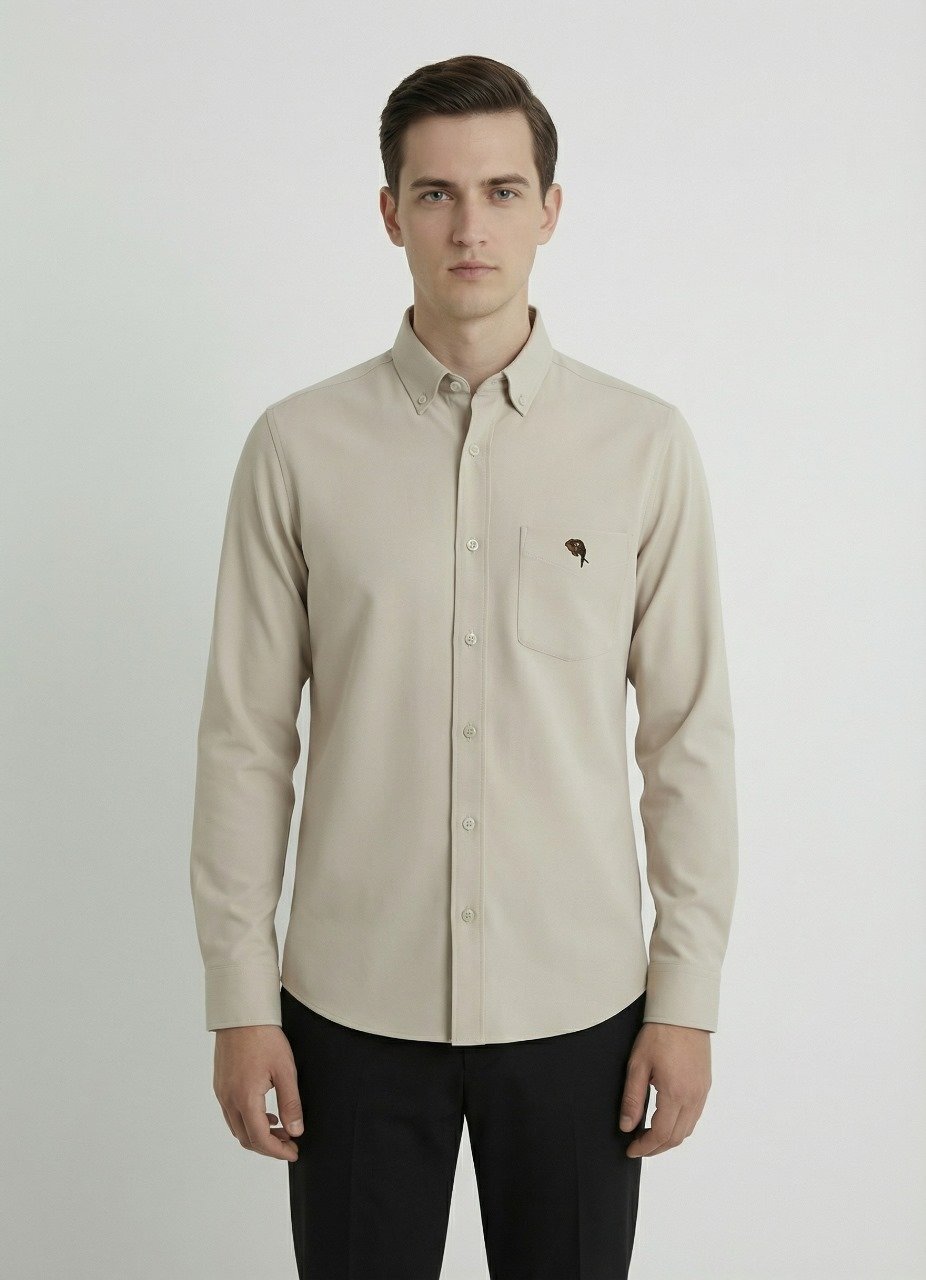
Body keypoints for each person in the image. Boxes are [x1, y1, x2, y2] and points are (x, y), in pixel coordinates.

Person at [189, 53, 739, 1279]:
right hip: (348, 1009)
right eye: (435, 193)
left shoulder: (642, 447)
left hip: (580, 1008)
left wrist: (683, 995)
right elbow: (244, 741)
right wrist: (239, 996)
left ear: (550, 209)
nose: (469, 227)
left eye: (501, 191)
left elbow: (686, 738)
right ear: (391, 213)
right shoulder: (296, 447)